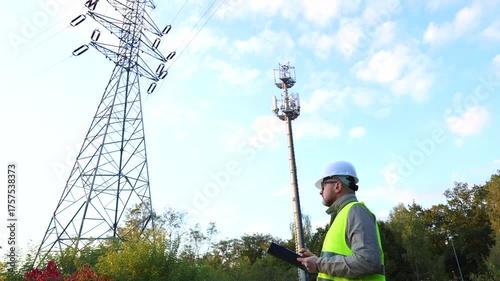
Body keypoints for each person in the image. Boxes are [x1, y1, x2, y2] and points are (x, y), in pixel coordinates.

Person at [297, 161, 386, 281]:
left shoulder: (355, 211)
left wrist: (319, 263)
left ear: (337, 186)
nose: (320, 191)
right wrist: (318, 260)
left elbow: (367, 261)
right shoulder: (344, 214)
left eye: (323, 186)